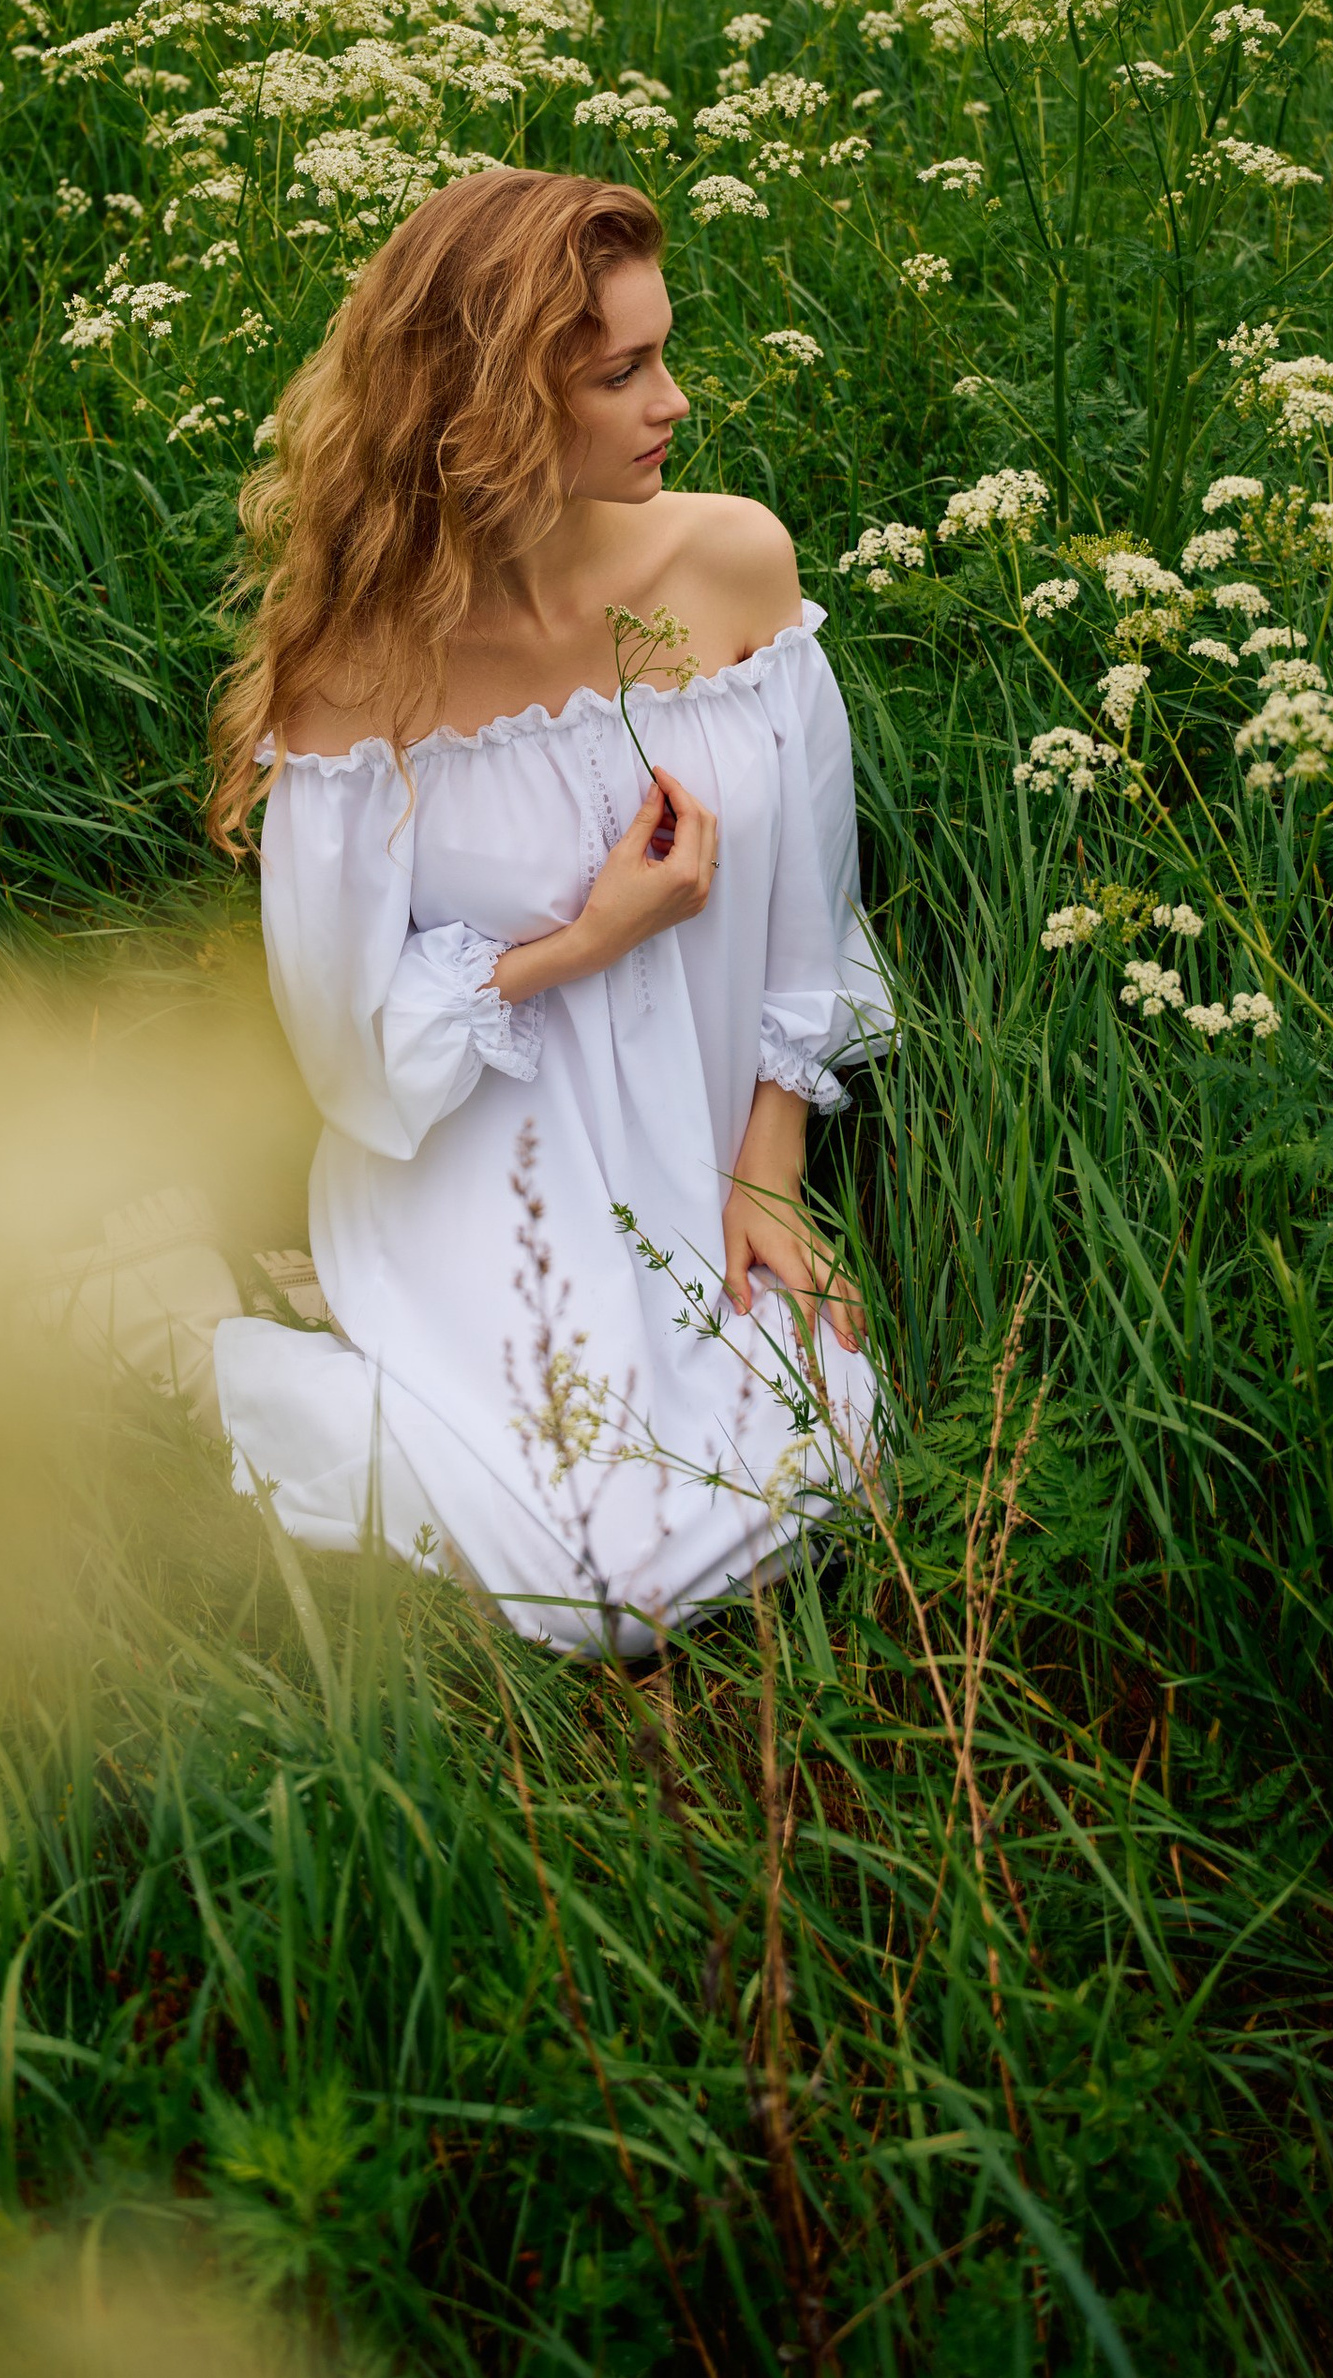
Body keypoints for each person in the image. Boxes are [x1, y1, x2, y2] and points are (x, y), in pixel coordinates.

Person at [207, 167, 887, 1659]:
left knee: (826, 1437)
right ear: (496, 407)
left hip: (700, 1138)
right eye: (623, 373)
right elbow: (352, 1058)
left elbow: (811, 919)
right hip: (479, 1165)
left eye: (664, 353)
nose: (675, 403)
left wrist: (768, 1170)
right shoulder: (361, 673)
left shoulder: (729, 565)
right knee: (599, 1588)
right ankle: (208, 1352)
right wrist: (588, 940)